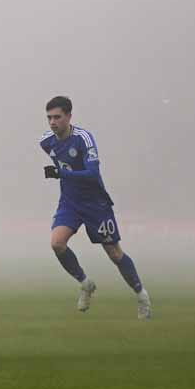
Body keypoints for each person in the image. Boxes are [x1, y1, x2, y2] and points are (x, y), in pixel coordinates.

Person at [39, 96, 149, 318]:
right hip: (69, 202)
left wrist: (63, 173)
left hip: (95, 203)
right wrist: (63, 175)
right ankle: (85, 283)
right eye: (49, 117)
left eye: (57, 117)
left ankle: (142, 296)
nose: (52, 122)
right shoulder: (46, 141)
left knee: (114, 253)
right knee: (57, 243)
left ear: (69, 116)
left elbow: (92, 174)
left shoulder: (83, 139)